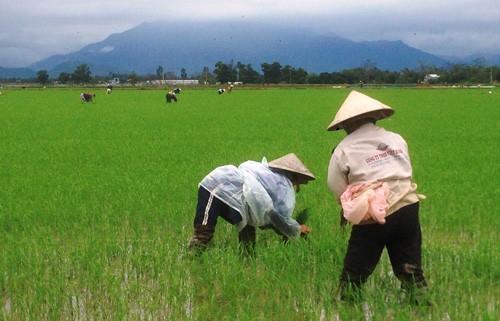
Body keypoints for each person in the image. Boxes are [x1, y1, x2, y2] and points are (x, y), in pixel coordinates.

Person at [326, 90, 428, 303]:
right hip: (408, 206)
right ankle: (420, 305)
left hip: (372, 210)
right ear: (373, 117)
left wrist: (350, 205)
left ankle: (347, 307)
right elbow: (405, 168)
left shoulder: (344, 148)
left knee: (355, 272)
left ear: (349, 123)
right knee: (410, 268)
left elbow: (335, 186)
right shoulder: (396, 139)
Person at [188, 153, 315, 254]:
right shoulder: (278, 183)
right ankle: (190, 261)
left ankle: (247, 262)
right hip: (215, 187)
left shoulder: (271, 178)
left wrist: (293, 228)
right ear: (294, 177)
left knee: (250, 221)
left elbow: (268, 216)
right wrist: (297, 229)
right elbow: (275, 216)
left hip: (236, 198)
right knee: (203, 233)